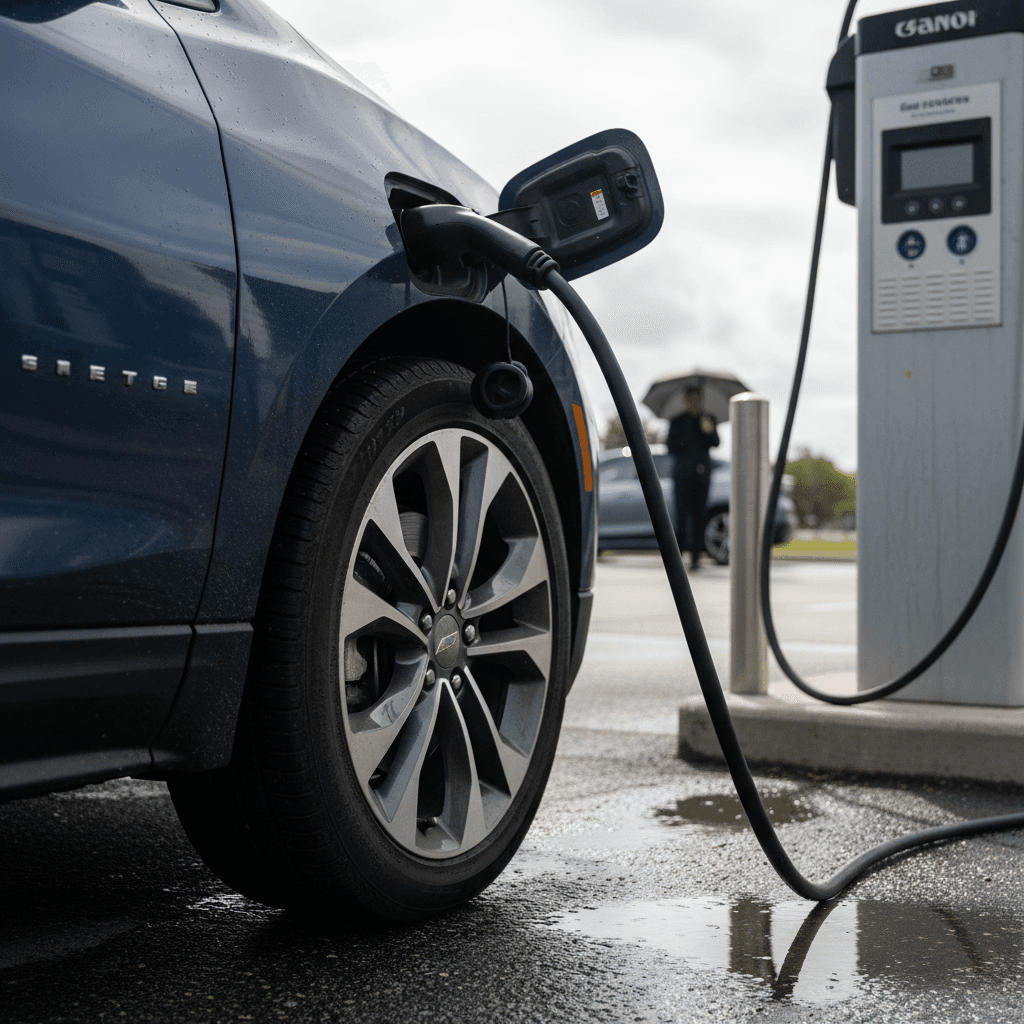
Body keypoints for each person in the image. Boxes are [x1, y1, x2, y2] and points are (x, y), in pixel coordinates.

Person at [666, 386, 720, 569]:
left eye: (698, 398)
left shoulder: (708, 419)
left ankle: (696, 558)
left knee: (699, 516)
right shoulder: (678, 421)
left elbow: (716, 442)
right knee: (681, 517)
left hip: (702, 476)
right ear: (686, 400)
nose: (694, 402)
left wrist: (707, 429)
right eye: (691, 399)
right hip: (682, 476)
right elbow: (670, 446)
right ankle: (678, 557)